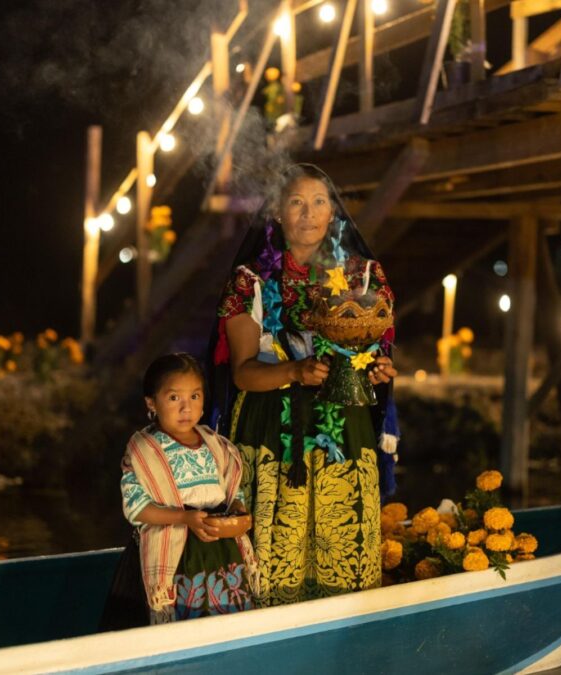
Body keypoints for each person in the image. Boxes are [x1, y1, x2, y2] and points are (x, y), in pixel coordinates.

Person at [210, 163, 400, 606]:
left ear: (333, 212)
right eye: (296, 202)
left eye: (319, 202)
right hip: (272, 430)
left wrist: (378, 372)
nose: (308, 213)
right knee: (277, 560)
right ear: (277, 211)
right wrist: (294, 372)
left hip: (344, 429)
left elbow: (374, 354)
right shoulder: (250, 283)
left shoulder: (364, 278)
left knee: (346, 556)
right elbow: (241, 373)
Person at [100, 353, 257, 628]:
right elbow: (136, 507)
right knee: (183, 626)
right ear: (152, 402)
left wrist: (239, 516)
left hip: (221, 554)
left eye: (195, 397)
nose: (186, 408)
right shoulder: (145, 450)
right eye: (174, 398)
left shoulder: (216, 445)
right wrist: (185, 518)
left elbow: (234, 494)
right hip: (176, 557)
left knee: (228, 629)